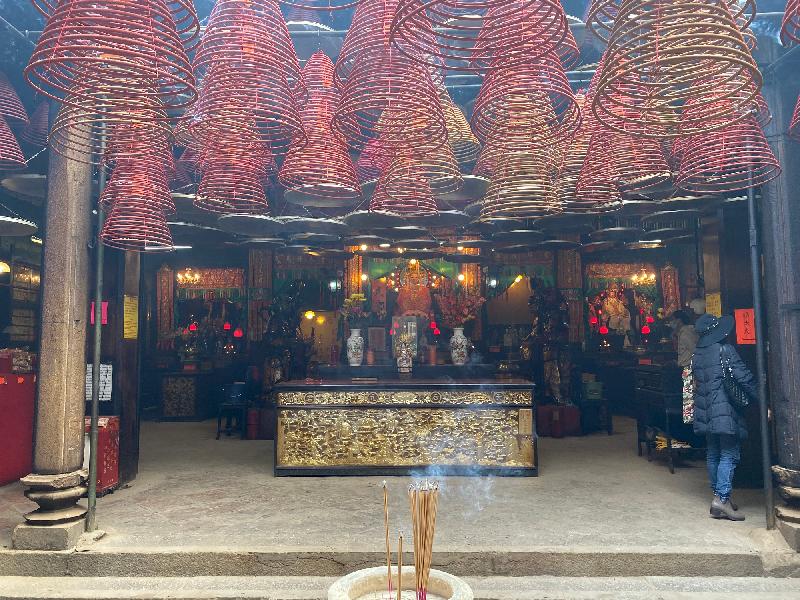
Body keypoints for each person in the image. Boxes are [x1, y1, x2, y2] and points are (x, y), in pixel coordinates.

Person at [692, 314, 757, 521]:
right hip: (725, 409)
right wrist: (762, 398)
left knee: (713, 453)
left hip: (706, 410)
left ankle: (719, 496)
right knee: (729, 453)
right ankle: (722, 498)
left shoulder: (697, 353)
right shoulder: (724, 350)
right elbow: (743, 377)